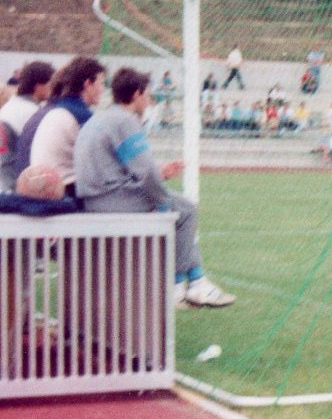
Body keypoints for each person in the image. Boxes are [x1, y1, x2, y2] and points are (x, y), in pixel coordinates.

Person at [73, 68, 236, 308]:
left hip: (95, 196)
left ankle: (195, 281)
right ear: (137, 94)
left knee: (176, 208)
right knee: (186, 210)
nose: (149, 101)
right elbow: (146, 172)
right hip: (109, 198)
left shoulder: (102, 117)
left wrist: (161, 189)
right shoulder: (124, 121)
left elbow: (132, 168)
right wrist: (162, 202)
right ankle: (179, 285)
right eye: (148, 95)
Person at [14, 57, 106, 199]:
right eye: (101, 83)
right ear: (88, 84)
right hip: (62, 191)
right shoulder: (80, 115)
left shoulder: (50, 109)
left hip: (35, 186)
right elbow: (101, 163)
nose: (103, 90)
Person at [0, 61, 55, 191]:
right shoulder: (32, 113)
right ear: (38, 86)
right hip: (15, 183)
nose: (52, 89)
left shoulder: (10, 106)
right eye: (50, 84)